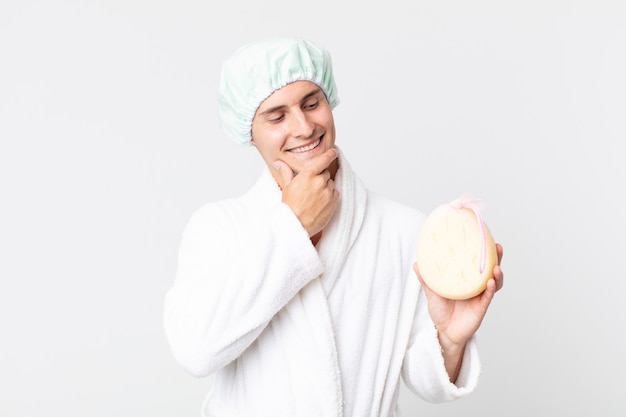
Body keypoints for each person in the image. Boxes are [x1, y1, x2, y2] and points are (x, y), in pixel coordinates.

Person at [163, 36, 504, 417]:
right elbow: (194, 350)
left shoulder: (402, 229)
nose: (304, 127)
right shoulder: (219, 229)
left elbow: (423, 379)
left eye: (312, 103)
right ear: (249, 132)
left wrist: (450, 340)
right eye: (276, 117)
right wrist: (293, 227)